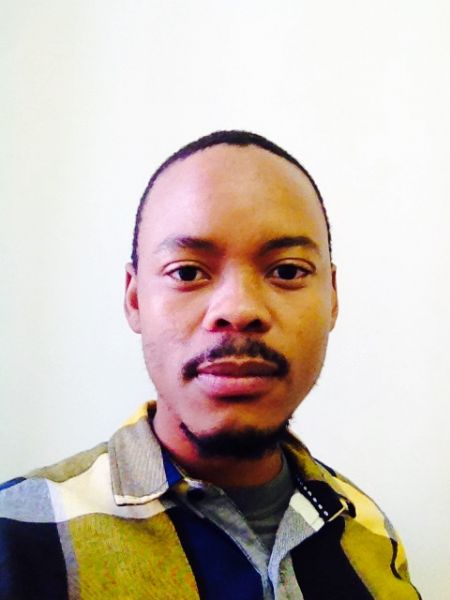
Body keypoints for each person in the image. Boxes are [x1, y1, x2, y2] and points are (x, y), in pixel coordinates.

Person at [0, 131, 420, 599]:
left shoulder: (369, 531)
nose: (239, 309)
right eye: (187, 272)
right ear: (135, 299)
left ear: (333, 298)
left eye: (287, 271)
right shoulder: (16, 533)